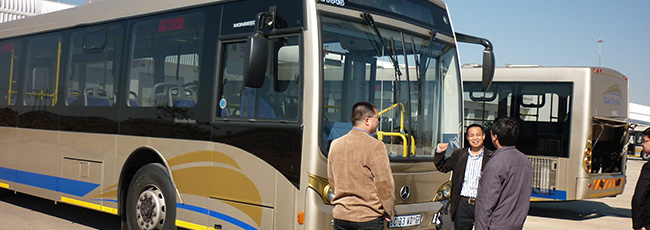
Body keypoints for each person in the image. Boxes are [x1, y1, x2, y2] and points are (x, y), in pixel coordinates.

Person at [327, 101, 395, 230]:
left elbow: (332, 180)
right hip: (368, 216)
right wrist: (388, 209)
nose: (379, 121)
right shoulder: (375, 146)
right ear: (367, 120)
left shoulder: (335, 144)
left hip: (341, 216)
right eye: (378, 118)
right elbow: (383, 183)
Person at [475, 117, 532, 230]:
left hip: (497, 225)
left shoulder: (496, 163)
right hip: (517, 224)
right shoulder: (525, 160)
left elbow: (486, 202)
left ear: (495, 137)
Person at [435, 124, 493, 230]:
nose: (475, 138)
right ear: (467, 137)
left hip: (483, 205)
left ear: (483, 136)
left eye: (478, 135)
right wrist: (440, 152)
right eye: (471, 135)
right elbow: (442, 167)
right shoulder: (459, 154)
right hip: (462, 204)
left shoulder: (491, 157)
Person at [632, 127, 650, 230]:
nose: (642, 144)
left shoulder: (648, 167)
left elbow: (639, 197)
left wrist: (639, 225)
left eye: (645, 141)